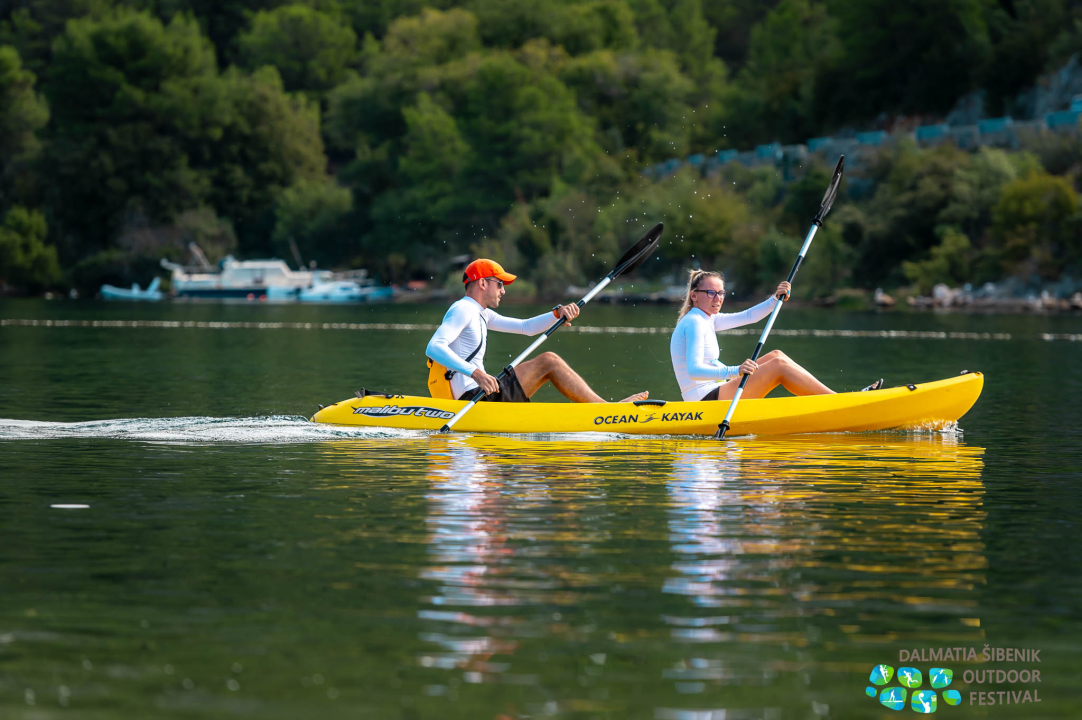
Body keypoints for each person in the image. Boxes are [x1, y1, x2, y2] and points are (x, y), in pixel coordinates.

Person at [426, 259, 649, 403]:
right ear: (482, 283)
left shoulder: (482, 313)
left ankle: (600, 409)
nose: (503, 291)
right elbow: (434, 347)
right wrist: (476, 374)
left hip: (483, 395)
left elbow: (526, 327)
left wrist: (556, 314)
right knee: (548, 361)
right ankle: (605, 410)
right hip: (473, 399)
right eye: (500, 284)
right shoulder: (463, 309)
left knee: (548, 361)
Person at [669, 269, 882, 402]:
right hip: (704, 401)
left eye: (721, 293)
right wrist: (735, 370)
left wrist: (775, 299)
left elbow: (749, 315)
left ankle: (836, 400)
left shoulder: (707, 318)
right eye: (711, 293)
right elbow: (694, 370)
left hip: (715, 391)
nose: (718, 298)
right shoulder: (695, 322)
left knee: (776, 355)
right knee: (778, 366)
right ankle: (841, 403)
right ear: (694, 296)